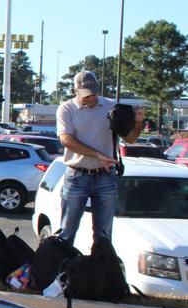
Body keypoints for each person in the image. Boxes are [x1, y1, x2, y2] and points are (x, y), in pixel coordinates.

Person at [56, 70, 143, 245]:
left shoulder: (112, 106)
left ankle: (100, 269)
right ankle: (62, 268)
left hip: (106, 176)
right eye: (88, 95)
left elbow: (130, 139)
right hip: (76, 176)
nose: (93, 97)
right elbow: (66, 140)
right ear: (76, 91)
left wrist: (138, 123)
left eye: (95, 93)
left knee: (103, 236)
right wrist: (98, 154)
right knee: (66, 232)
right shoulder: (67, 108)